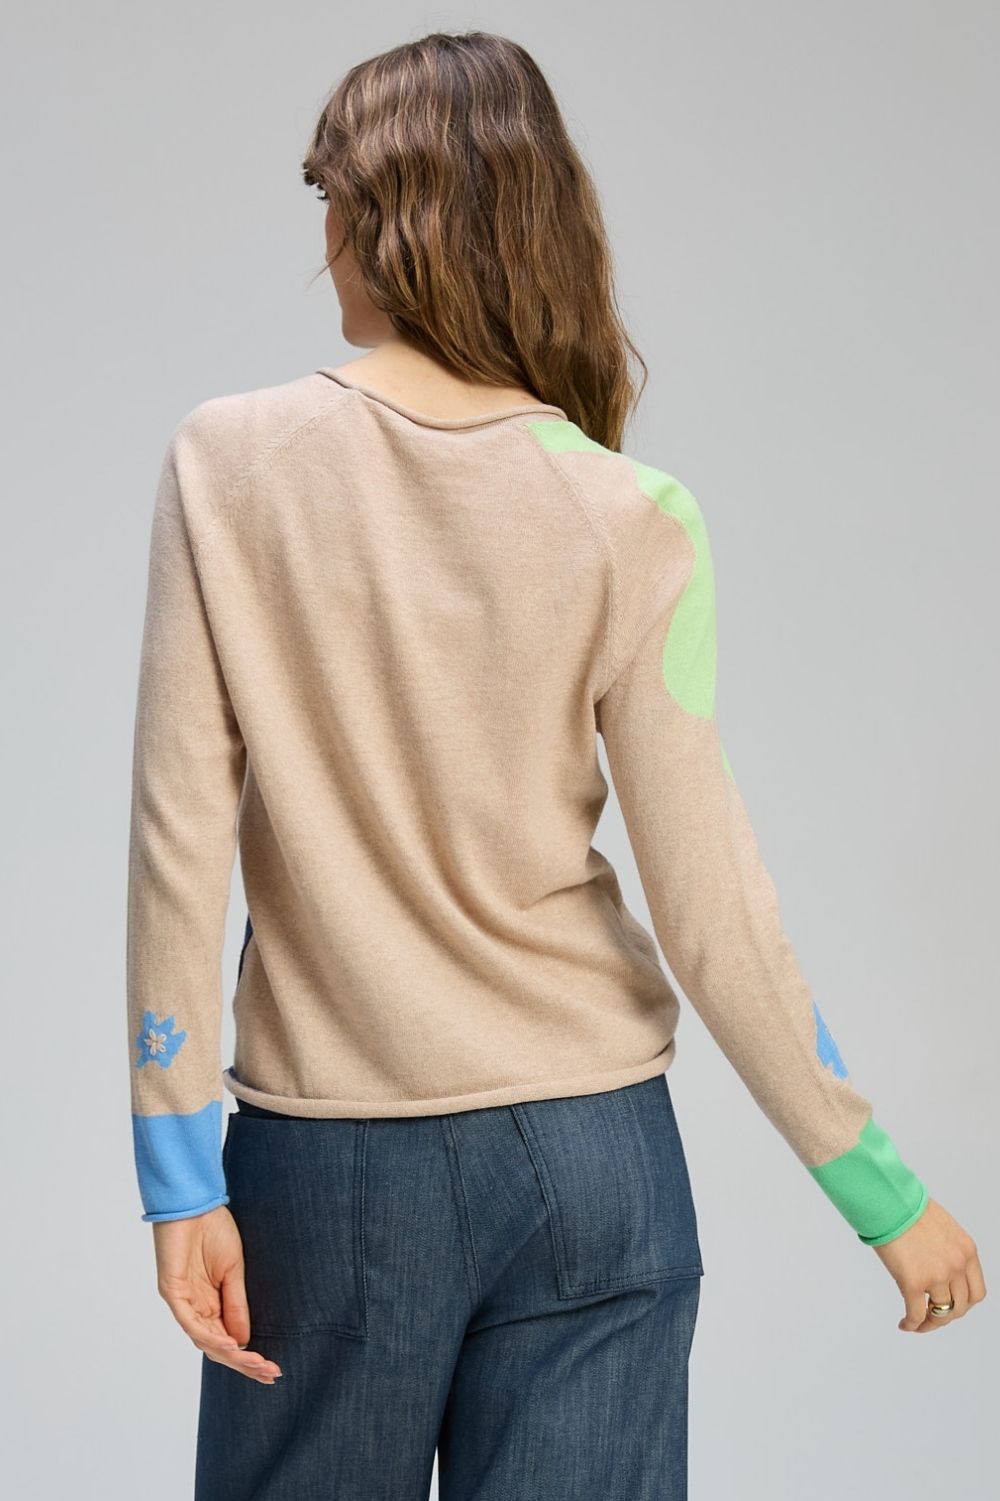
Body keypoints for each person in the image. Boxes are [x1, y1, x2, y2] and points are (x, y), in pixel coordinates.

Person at [125, 29, 985, 1501]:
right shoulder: (632, 513)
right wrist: (881, 1192)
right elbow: (713, 908)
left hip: (330, 1170)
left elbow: (176, 841)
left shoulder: (229, 465)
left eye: (332, 198)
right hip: (597, 1165)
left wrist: (178, 1174)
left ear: (384, 218)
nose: (324, 241)